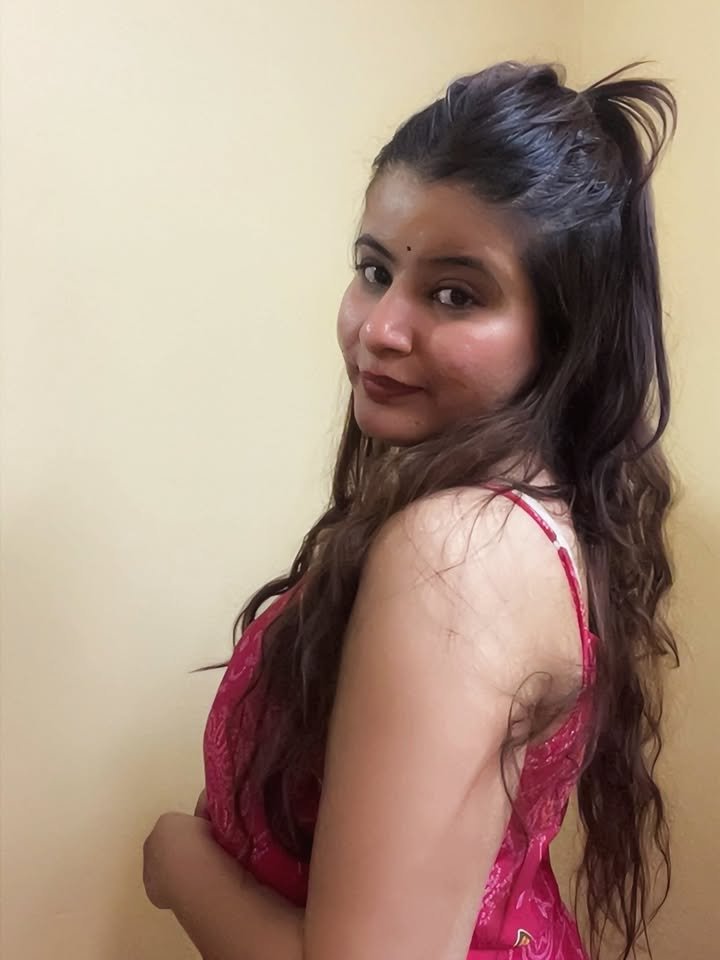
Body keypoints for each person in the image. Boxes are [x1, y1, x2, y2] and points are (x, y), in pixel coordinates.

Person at [143, 61, 678, 960]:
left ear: (562, 334)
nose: (380, 329)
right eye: (374, 270)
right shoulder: (521, 516)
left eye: (456, 294)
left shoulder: (462, 556)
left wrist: (177, 861)